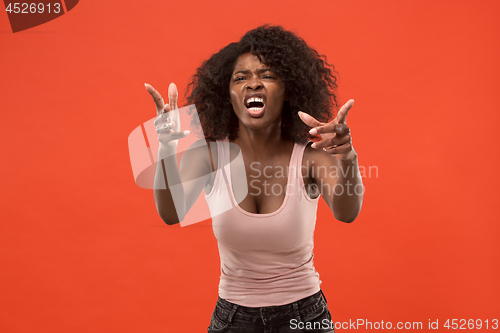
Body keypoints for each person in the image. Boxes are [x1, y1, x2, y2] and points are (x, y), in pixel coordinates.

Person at [145, 25, 363, 333]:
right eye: (241, 77)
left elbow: (347, 213)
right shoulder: (207, 155)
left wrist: (349, 158)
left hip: (305, 316)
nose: (253, 84)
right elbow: (171, 214)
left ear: (289, 91)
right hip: (233, 318)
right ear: (227, 94)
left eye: (268, 76)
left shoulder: (311, 157)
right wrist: (166, 148)